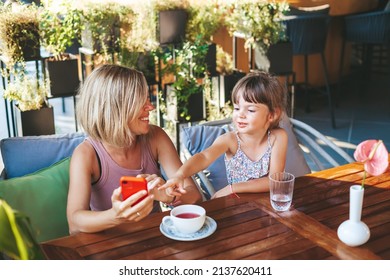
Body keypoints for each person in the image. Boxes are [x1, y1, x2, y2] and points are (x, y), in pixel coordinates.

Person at [67, 64, 202, 234]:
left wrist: (168, 195)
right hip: (109, 247)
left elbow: (194, 195)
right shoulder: (86, 154)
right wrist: (116, 216)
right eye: (141, 101)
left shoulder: (156, 137)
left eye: (148, 98)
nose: (151, 107)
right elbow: (75, 223)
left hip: (154, 239)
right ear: (116, 108)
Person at [160, 71, 288, 199]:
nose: (240, 115)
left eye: (250, 110)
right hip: (238, 205)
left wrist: (232, 188)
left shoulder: (278, 137)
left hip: (268, 204)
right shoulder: (230, 140)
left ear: (272, 115)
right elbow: (203, 157)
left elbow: (273, 181)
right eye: (237, 108)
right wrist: (180, 175)